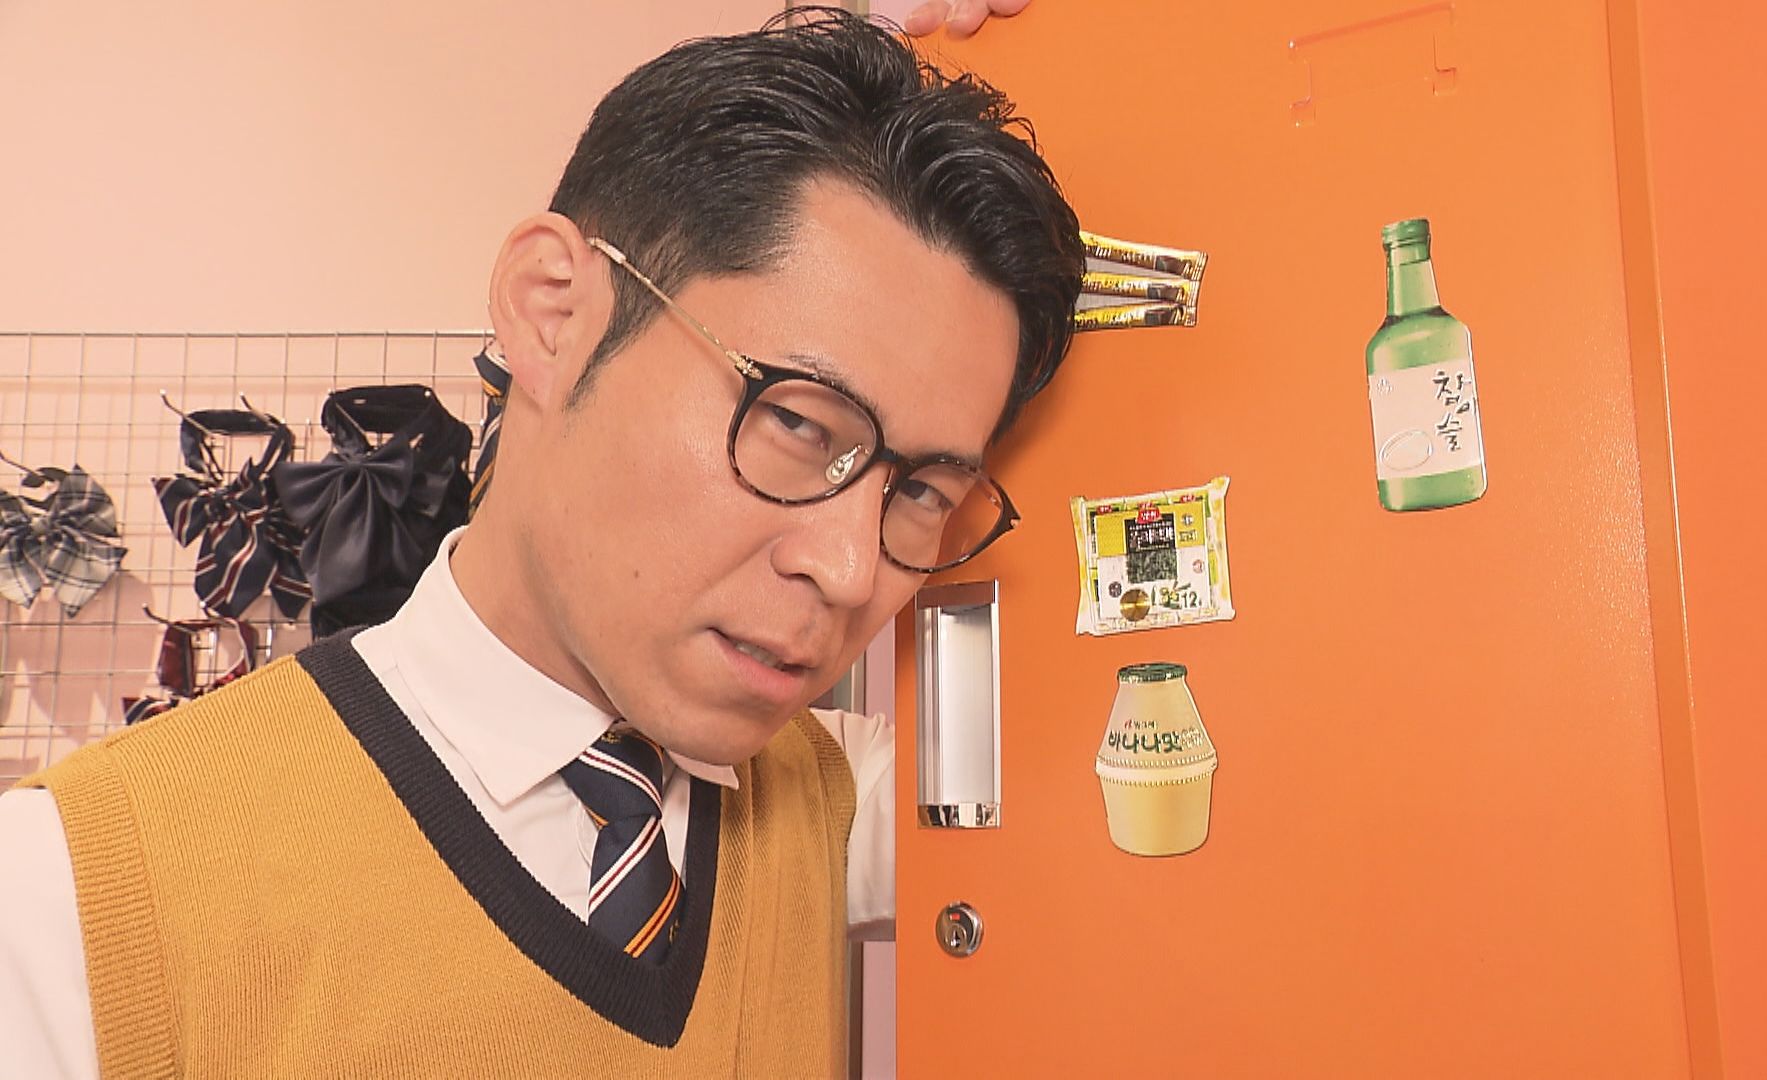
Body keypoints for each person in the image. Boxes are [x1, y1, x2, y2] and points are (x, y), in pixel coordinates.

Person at [0, 8, 1081, 1078]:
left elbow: (1154, 761)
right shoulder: (75, 898)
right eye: (798, 425)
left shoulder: (836, 799)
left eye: (922, 491)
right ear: (554, 314)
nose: (849, 570)